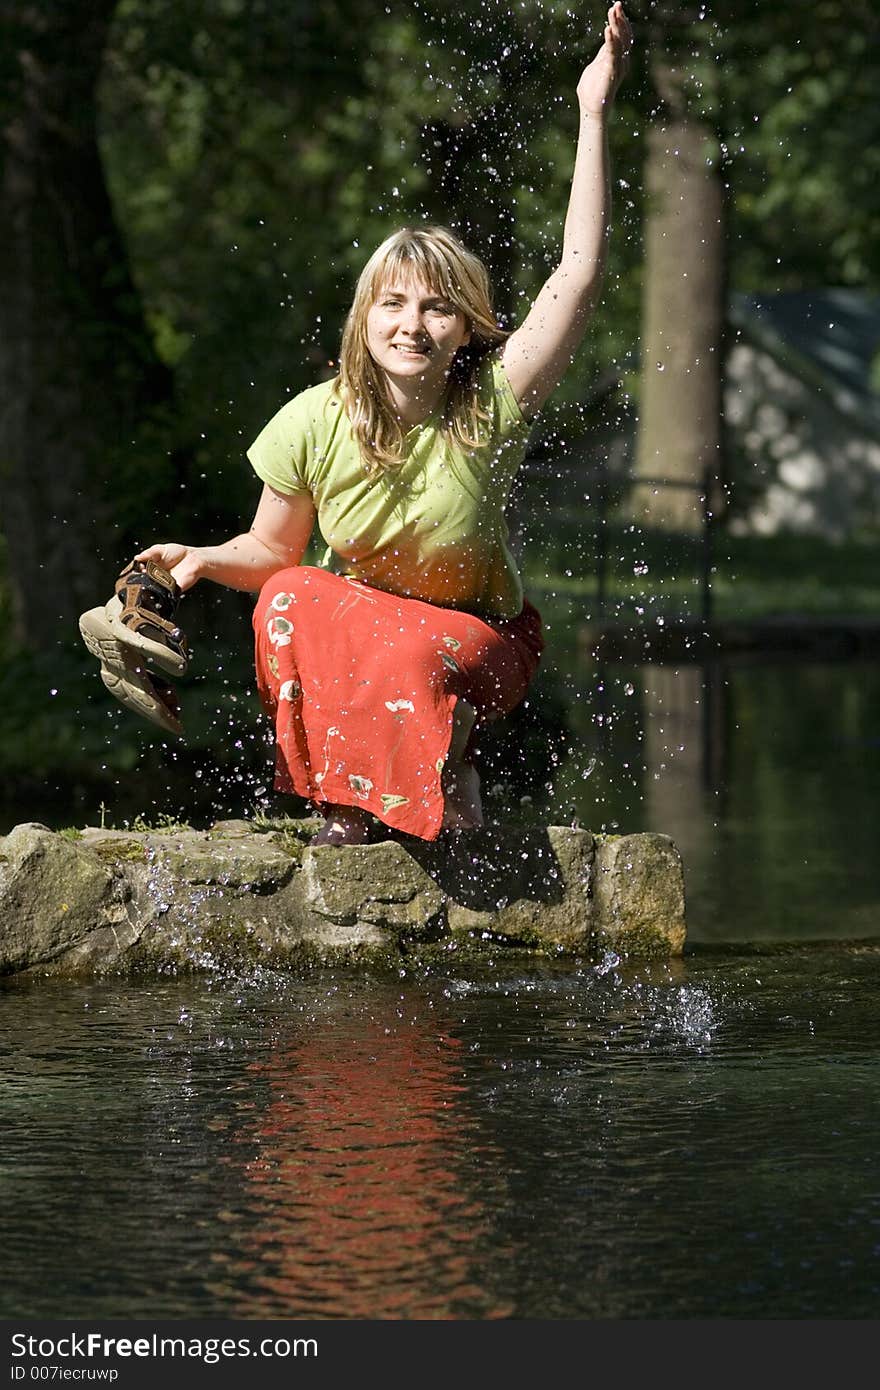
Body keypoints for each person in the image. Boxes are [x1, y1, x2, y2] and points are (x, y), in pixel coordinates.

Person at [135, 4, 632, 846]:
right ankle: (341, 805)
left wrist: (591, 109)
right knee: (292, 599)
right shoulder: (312, 419)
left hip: (480, 641)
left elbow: (577, 275)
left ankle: (451, 760)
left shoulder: (491, 405)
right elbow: (274, 557)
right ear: (364, 318)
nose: (413, 324)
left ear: (468, 327)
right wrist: (203, 560)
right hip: (362, 634)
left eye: (438, 308)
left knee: (404, 654)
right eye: (393, 303)